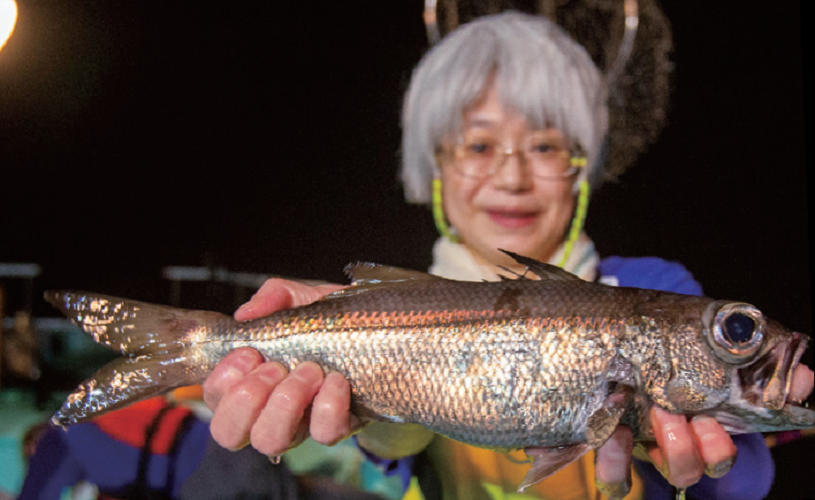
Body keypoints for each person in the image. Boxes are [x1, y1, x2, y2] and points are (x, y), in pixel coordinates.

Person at [201, 12, 813, 500]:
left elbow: (745, 480)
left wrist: (709, 467)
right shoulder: (394, 304)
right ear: (435, 167)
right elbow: (389, 458)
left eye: (546, 146)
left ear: (583, 169)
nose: (512, 175)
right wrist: (376, 411)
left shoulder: (655, 284)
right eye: (479, 144)